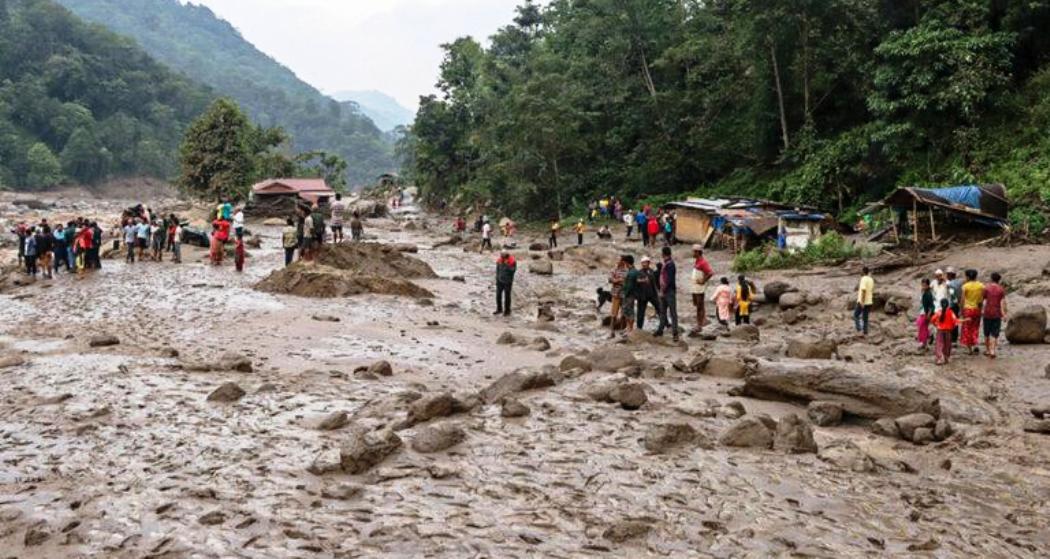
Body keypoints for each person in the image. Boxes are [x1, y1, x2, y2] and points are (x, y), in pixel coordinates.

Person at [654, 246, 679, 341]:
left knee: (672, 312)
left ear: (663, 254)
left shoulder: (670, 265)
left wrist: (663, 290)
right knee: (663, 312)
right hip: (665, 291)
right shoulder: (667, 264)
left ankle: (675, 333)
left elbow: (669, 280)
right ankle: (660, 330)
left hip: (668, 291)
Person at [982, 272, 1007, 359]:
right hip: (997, 314)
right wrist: (1004, 314)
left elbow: (983, 300)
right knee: (994, 333)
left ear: (991, 279)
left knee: (986, 333)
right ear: (999, 280)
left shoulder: (986, 288)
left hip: (987, 313)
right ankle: (992, 351)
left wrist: (981, 310)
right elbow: (1002, 303)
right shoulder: (1001, 290)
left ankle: (987, 350)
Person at [960, 269, 984, 355]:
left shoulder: (965, 286)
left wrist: (961, 311)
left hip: (968, 309)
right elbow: (981, 299)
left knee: (967, 329)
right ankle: (975, 345)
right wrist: (980, 309)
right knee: (975, 328)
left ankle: (970, 349)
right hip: (977, 309)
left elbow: (962, 300)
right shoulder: (981, 285)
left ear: (967, 277)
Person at [690, 246, 713, 333]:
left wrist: (703, 280)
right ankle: (701, 321)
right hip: (695, 287)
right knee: (698, 305)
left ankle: (699, 325)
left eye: (693, 252)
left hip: (699, 288)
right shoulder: (697, 261)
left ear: (697, 252)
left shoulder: (703, 262)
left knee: (700, 306)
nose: (692, 253)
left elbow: (710, 273)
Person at [635, 256, 661, 330]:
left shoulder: (651, 271)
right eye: (643, 263)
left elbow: (654, 283)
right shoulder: (639, 272)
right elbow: (636, 282)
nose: (644, 264)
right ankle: (639, 328)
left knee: (659, 308)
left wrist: (657, 293)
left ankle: (665, 324)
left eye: (645, 263)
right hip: (642, 296)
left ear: (648, 263)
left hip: (652, 294)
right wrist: (642, 281)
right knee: (640, 313)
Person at [932, 299, 959, 365]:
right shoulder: (951, 312)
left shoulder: (939, 312)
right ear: (948, 305)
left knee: (939, 344)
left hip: (940, 330)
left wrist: (936, 325)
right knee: (947, 344)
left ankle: (939, 358)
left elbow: (933, 319)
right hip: (948, 330)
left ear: (941, 305)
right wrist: (952, 327)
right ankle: (946, 357)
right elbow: (955, 321)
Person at [608, 256, 628, 338]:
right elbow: (610, 279)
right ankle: (612, 332)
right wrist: (618, 280)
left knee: (623, 314)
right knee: (614, 314)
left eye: (619, 260)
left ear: (623, 261)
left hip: (624, 295)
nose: (617, 261)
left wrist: (617, 280)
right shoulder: (614, 269)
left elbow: (627, 281)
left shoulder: (627, 270)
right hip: (615, 294)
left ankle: (622, 331)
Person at [495, 250, 516, 316]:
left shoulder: (512, 261)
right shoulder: (499, 260)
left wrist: (507, 265)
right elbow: (497, 270)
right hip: (499, 281)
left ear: (506, 255)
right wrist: (497, 278)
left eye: (503, 255)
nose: (501, 256)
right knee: (498, 295)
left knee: (507, 296)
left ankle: (507, 311)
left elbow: (513, 271)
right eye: (501, 255)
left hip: (508, 281)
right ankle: (499, 309)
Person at [620, 255, 638, 336]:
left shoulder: (632, 272)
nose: (624, 264)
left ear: (627, 263)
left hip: (629, 295)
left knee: (629, 311)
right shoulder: (633, 271)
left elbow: (629, 286)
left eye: (625, 263)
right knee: (627, 311)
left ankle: (630, 329)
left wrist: (625, 294)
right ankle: (628, 328)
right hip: (631, 294)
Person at [854, 266, 874, 335]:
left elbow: (863, 290)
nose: (860, 272)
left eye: (861, 271)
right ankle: (865, 332)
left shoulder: (863, 279)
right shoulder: (871, 279)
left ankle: (859, 329)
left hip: (863, 301)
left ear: (863, 271)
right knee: (865, 317)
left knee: (856, 315)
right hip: (869, 301)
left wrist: (862, 301)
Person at [946, 268, 963, 344]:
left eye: (947, 274)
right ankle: (954, 339)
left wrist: (956, 302)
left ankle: (952, 338)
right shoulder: (959, 283)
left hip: (952, 305)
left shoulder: (949, 284)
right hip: (957, 305)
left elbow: (952, 295)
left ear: (950, 275)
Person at [918, 278, 936, 350]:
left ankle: (924, 343)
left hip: (926, 313)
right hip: (922, 311)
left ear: (928, 285)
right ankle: (927, 338)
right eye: (922, 285)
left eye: (925, 285)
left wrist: (928, 314)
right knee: (922, 326)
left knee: (922, 327)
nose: (923, 286)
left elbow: (931, 305)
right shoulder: (924, 292)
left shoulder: (928, 294)